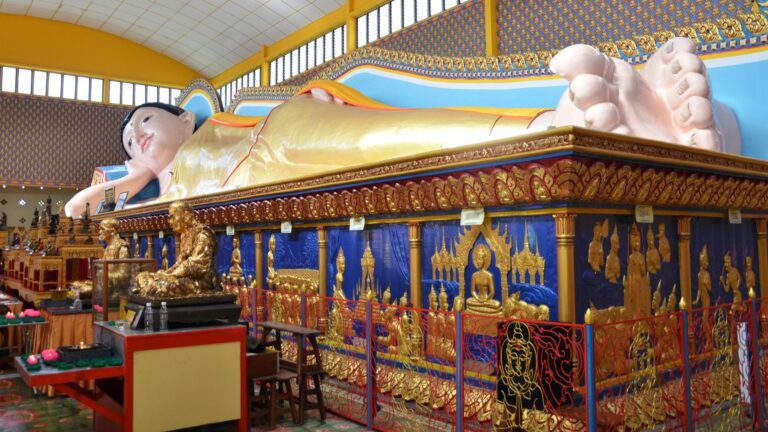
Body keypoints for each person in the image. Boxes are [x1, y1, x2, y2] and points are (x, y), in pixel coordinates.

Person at [65, 38, 737, 218]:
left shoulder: (213, 130)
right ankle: (591, 121)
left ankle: (555, 122)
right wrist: (120, 181)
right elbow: (97, 204)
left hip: (279, 140)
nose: (138, 139)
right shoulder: (164, 191)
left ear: (184, 116)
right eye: (128, 143)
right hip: (265, 191)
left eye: (143, 123)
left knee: (401, 139)